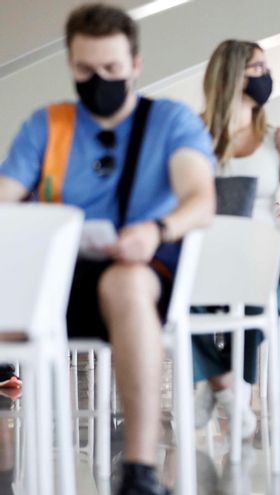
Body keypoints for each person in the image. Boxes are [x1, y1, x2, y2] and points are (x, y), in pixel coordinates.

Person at [0, 5, 216, 493]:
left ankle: (139, 468)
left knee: (126, 280)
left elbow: (200, 199)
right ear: (71, 65)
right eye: (85, 70)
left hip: (142, 267)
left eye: (112, 69)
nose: (99, 80)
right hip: (58, 279)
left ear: (135, 64)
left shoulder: (169, 122)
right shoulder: (48, 126)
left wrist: (158, 229)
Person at [191, 39, 280, 437]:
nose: (266, 76)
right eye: (257, 68)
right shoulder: (193, 134)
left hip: (260, 254)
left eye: (266, 67)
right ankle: (223, 383)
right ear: (231, 74)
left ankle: (221, 384)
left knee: (255, 294)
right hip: (205, 250)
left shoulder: (275, 139)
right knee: (169, 293)